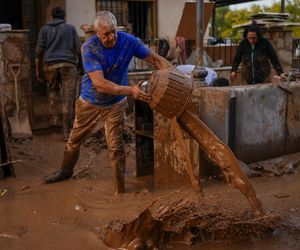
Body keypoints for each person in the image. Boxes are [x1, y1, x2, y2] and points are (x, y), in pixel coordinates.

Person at [44, 11, 172, 194]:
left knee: (116, 147)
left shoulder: (128, 41)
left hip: (115, 103)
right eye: (106, 34)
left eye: (114, 32)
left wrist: (176, 76)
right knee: (74, 141)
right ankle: (65, 171)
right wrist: (131, 90)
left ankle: (119, 190)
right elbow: (100, 84)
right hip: (89, 102)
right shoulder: (89, 48)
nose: (111, 37)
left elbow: (155, 59)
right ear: (97, 33)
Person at [35, 6, 81, 141]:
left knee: (53, 90)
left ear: (51, 17)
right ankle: (67, 132)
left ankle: (55, 116)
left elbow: (38, 52)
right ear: (64, 18)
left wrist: (38, 71)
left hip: (50, 66)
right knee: (68, 98)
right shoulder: (70, 28)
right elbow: (78, 49)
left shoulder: (44, 29)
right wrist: (81, 66)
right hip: (68, 65)